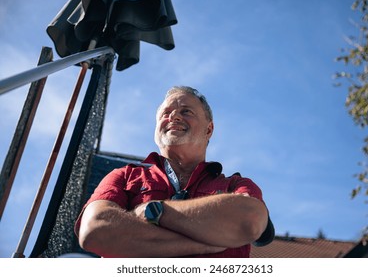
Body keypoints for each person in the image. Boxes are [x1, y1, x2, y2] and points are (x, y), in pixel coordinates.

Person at [75, 86, 274, 257]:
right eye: (165, 113)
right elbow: (95, 230)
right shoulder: (124, 176)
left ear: (209, 129)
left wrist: (153, 212)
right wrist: (204, 243)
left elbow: (250, 219)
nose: (174, 117)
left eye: (186, 111)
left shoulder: (236, 185)